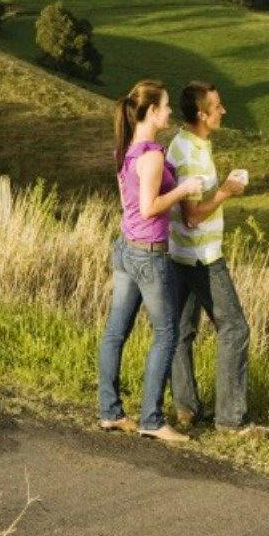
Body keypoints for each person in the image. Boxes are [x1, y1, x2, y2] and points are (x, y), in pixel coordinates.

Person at [99, 78, 209, 441]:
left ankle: (110, 412)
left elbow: (127, 202)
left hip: (126, 248)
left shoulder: (126, 149)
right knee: (167, 333)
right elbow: (148, 208)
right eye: (164, 106)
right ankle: (152, 419)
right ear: (149, 112)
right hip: (148, 255)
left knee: (117, 331)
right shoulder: (151, 155)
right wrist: (183, 189)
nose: (170, 111)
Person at [166, 82, 268, 435]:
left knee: (181, 331)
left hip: (179, 251)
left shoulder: (186, 144)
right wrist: (226, 191)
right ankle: (230, 419)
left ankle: (186, 408)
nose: (223, 111)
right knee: (235, 328)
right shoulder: (189, 153)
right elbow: (193, 215)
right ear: (201, 115)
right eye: (217, 106)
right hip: (201, 255)